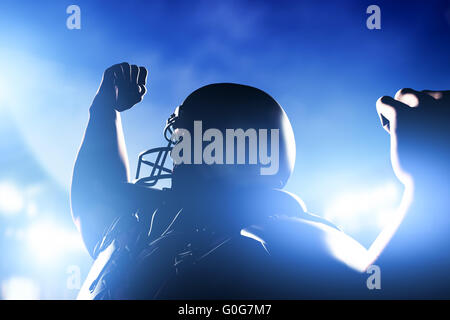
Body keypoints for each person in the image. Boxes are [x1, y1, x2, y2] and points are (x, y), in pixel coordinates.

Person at [71, 62, 450, 299]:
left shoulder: (285, 235)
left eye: (181, 136)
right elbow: (94, 197)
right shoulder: (150, 229)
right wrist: (103, 109)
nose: (172, 150)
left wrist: (431, 181)